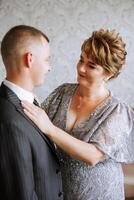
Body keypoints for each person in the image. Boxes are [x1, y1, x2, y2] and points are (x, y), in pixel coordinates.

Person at [21, 29, 134, 200]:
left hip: (100, 194)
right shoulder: (62, 93)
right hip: (61, 190)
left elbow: (92, 156)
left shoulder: (117, 111)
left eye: (91, 66)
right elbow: (37, 124)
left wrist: (50, 129)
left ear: (108, 74)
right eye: (81, 59)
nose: (81, 68)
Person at [0, 25, 63, 200]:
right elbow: (20, 194)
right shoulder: (9, 120)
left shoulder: (28, 102)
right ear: (30, 59)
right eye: (47, 60)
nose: (49, 68)